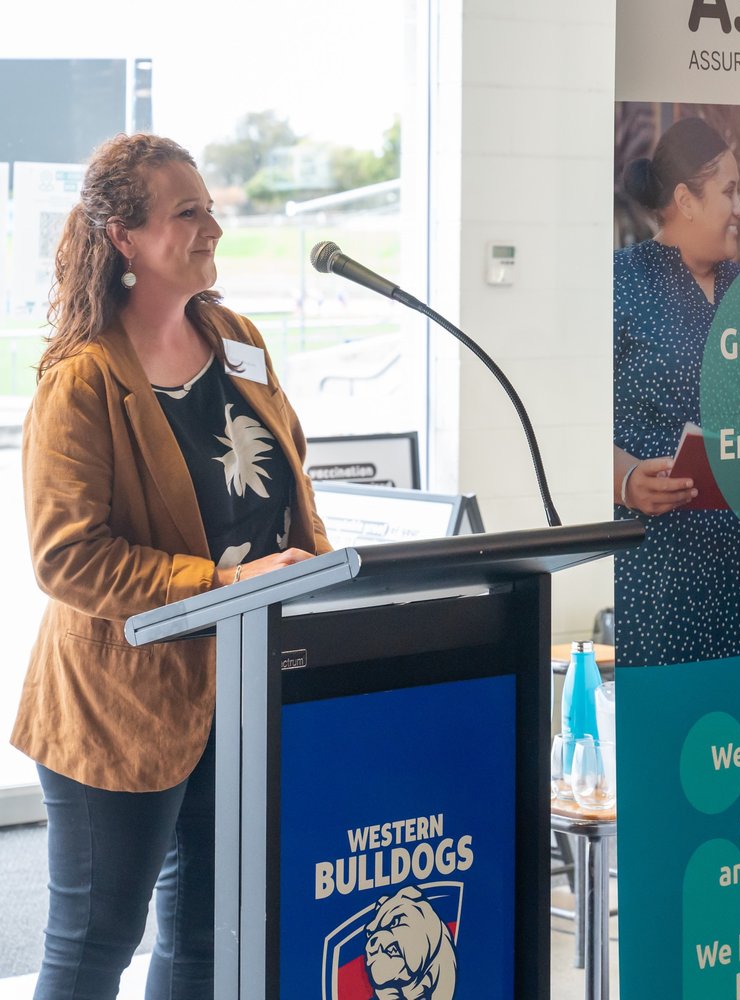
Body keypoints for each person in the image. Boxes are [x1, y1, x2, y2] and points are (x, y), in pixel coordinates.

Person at [10, 133, 331, 999]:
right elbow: (67, 556)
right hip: (119, 704)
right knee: (93, 944)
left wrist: (326, 586)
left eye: (211, 207)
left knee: (206, 939)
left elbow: (289, 486)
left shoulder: (235, 337)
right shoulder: (81, 380)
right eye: (187, 212)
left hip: (242, 687)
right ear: (124, 237)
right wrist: (224, 587)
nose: (213, 226)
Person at [613, 116, 740, 667]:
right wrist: (622, 479)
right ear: (686, 201)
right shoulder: (622, 282)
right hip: (666, 567)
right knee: (677, 735)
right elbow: (566, 420)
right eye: (729, 192)